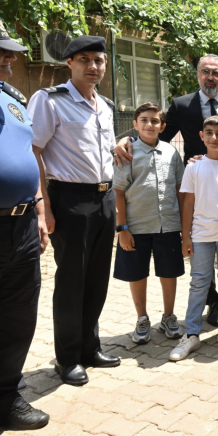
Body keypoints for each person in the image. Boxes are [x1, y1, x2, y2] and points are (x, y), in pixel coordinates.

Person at [113, 54, 218, 324]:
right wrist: (126, 140)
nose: (210, 77)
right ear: (198, 74)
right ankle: (212, 301)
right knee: (202, 243)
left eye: (216, 73)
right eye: (205, 71)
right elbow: (156, 135)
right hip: (197, 183)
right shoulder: (181, 104)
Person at [28, 35, 121, 386]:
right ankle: (66, 358)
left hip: (104, 199)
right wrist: (43, 208)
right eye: (85, 60)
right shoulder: (50, 101)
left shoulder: (105, 105)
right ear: (69, 63)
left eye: (99, 60)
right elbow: (33, 152)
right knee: (71, 281)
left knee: (96, 279)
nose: (93, 66)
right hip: (70, 200)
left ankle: (89, 348)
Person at [0, 20, 50, 430]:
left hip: (21, 226)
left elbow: (27, 153)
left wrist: (38, 208)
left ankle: (6, 396)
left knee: (18, 315)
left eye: (10, 52)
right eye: (1, 52)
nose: (10, 58)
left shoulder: (13, 99)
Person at [169, 115, 218, 361]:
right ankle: (191, 333)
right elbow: (188, 203)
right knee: (199, 282)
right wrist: (186, 237)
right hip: (201, 234)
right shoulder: (194, 167)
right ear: (201, 136)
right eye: (209, 133)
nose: (214, 138)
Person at [113, 103, 185, 345]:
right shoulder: (127, 152)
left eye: (155, 121)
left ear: (162, 126)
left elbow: (179, 189)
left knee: (169, 271)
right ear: (135, 124)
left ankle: (168, 316)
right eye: (144, 120)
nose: (149, 125)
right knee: (136, 273)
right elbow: (118, 192)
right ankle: (142, 318)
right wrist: (122, 229)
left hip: (169, 225)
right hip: (136, 226)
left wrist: (184, 228)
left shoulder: (172, 152)